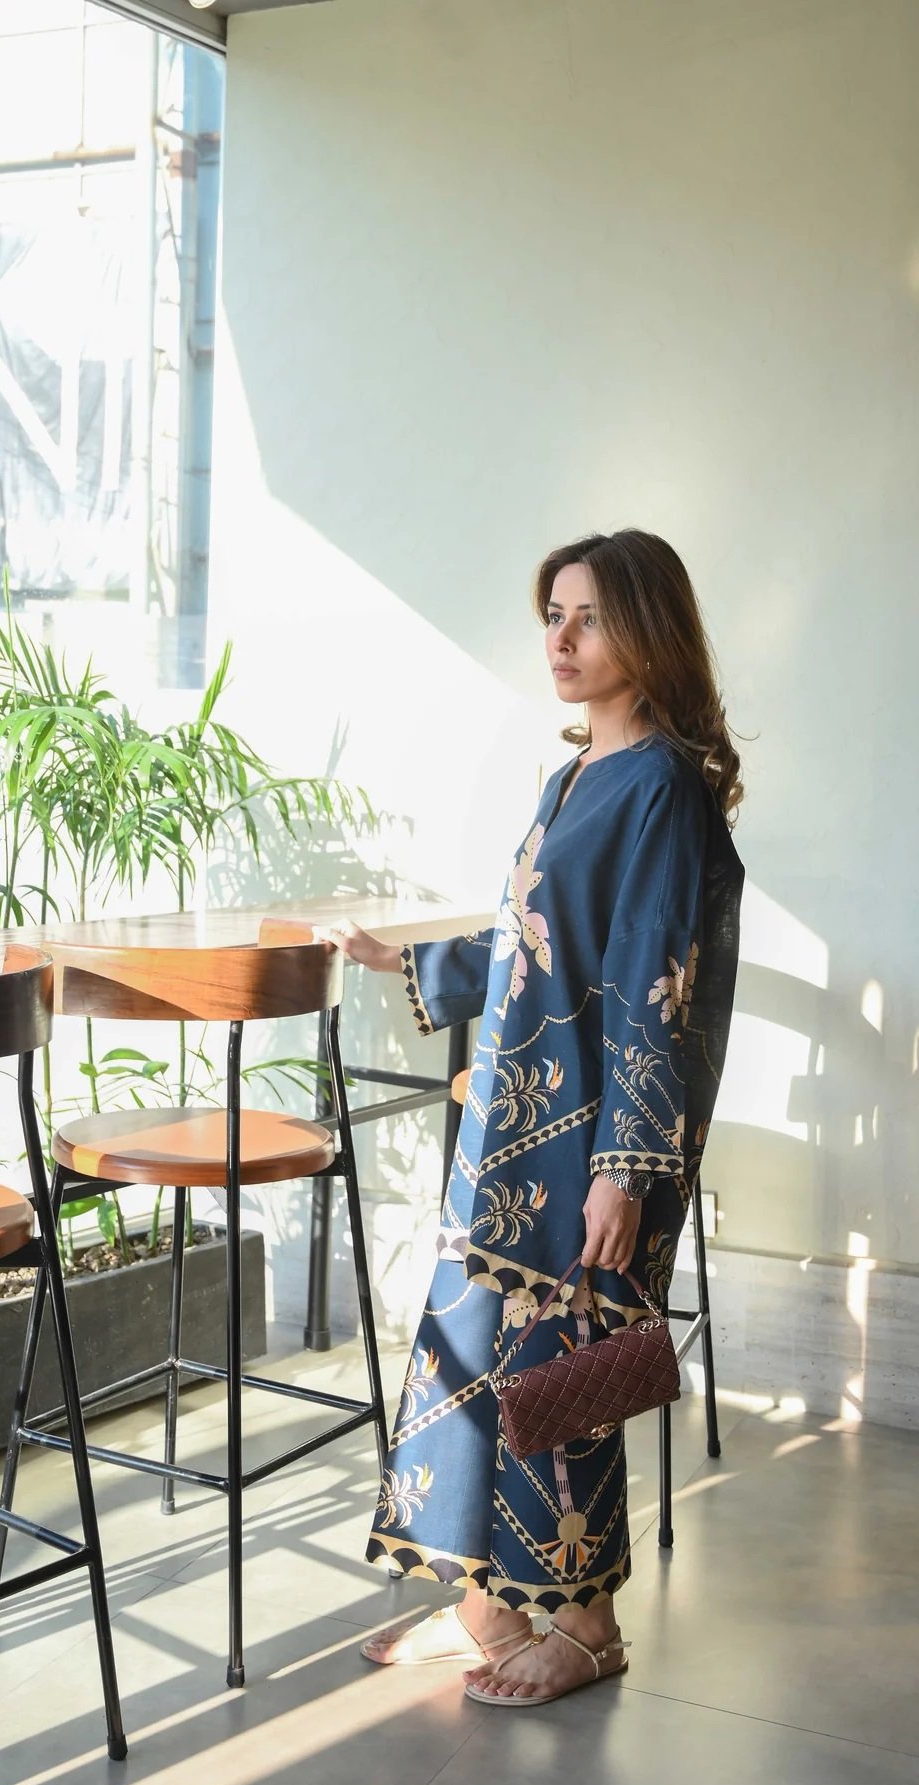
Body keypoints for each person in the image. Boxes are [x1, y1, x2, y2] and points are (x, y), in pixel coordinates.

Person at [316, 530, 744, 1708]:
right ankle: (488, 1602)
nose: (560, 638)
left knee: (565, 1366)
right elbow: (536, 943)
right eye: (553, 614)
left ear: (646, 629)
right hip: (512, 1132)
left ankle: (591, 1625)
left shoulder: (660, 787)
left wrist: (626, 1169)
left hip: (589, 1141)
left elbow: (654, 977)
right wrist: (413, 961)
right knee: (471, 1355)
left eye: (588, 617)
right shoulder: (574, 776)